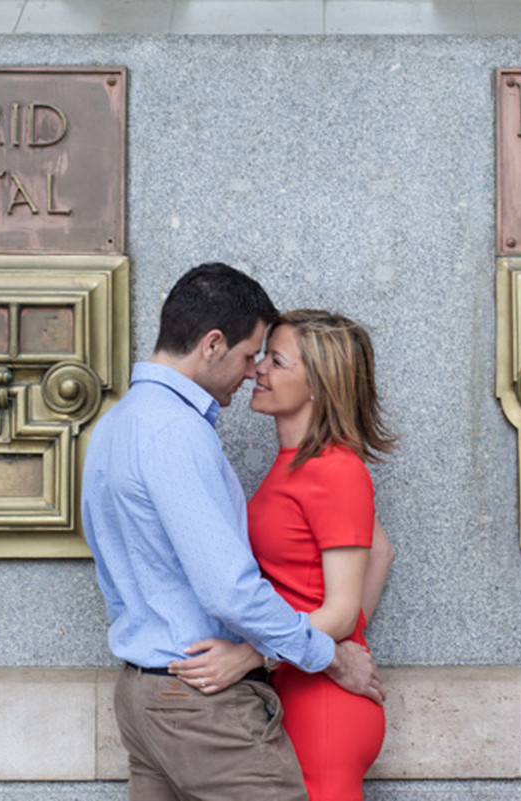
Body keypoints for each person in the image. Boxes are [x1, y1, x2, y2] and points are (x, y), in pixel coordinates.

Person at [81, 264, 383, 801]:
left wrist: (263, 653)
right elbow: (230, 591)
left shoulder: (117, 424)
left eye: (271, 359)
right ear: (212, 344)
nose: (252, 371)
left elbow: (374, 550)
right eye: (250, 356)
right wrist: (329, 654)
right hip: (197, 699)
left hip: (147, 692)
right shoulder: (177, 431)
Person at [169, 309, 396, 801]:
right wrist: (341, 641)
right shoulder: (297, 465)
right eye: (263, 357)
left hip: (325, 707)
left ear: (319, 385)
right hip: (300, 685)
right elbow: (380, 551)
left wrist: (252, 656)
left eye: (277, 361)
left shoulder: (335, 470)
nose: (258, 370)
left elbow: (340, 611)